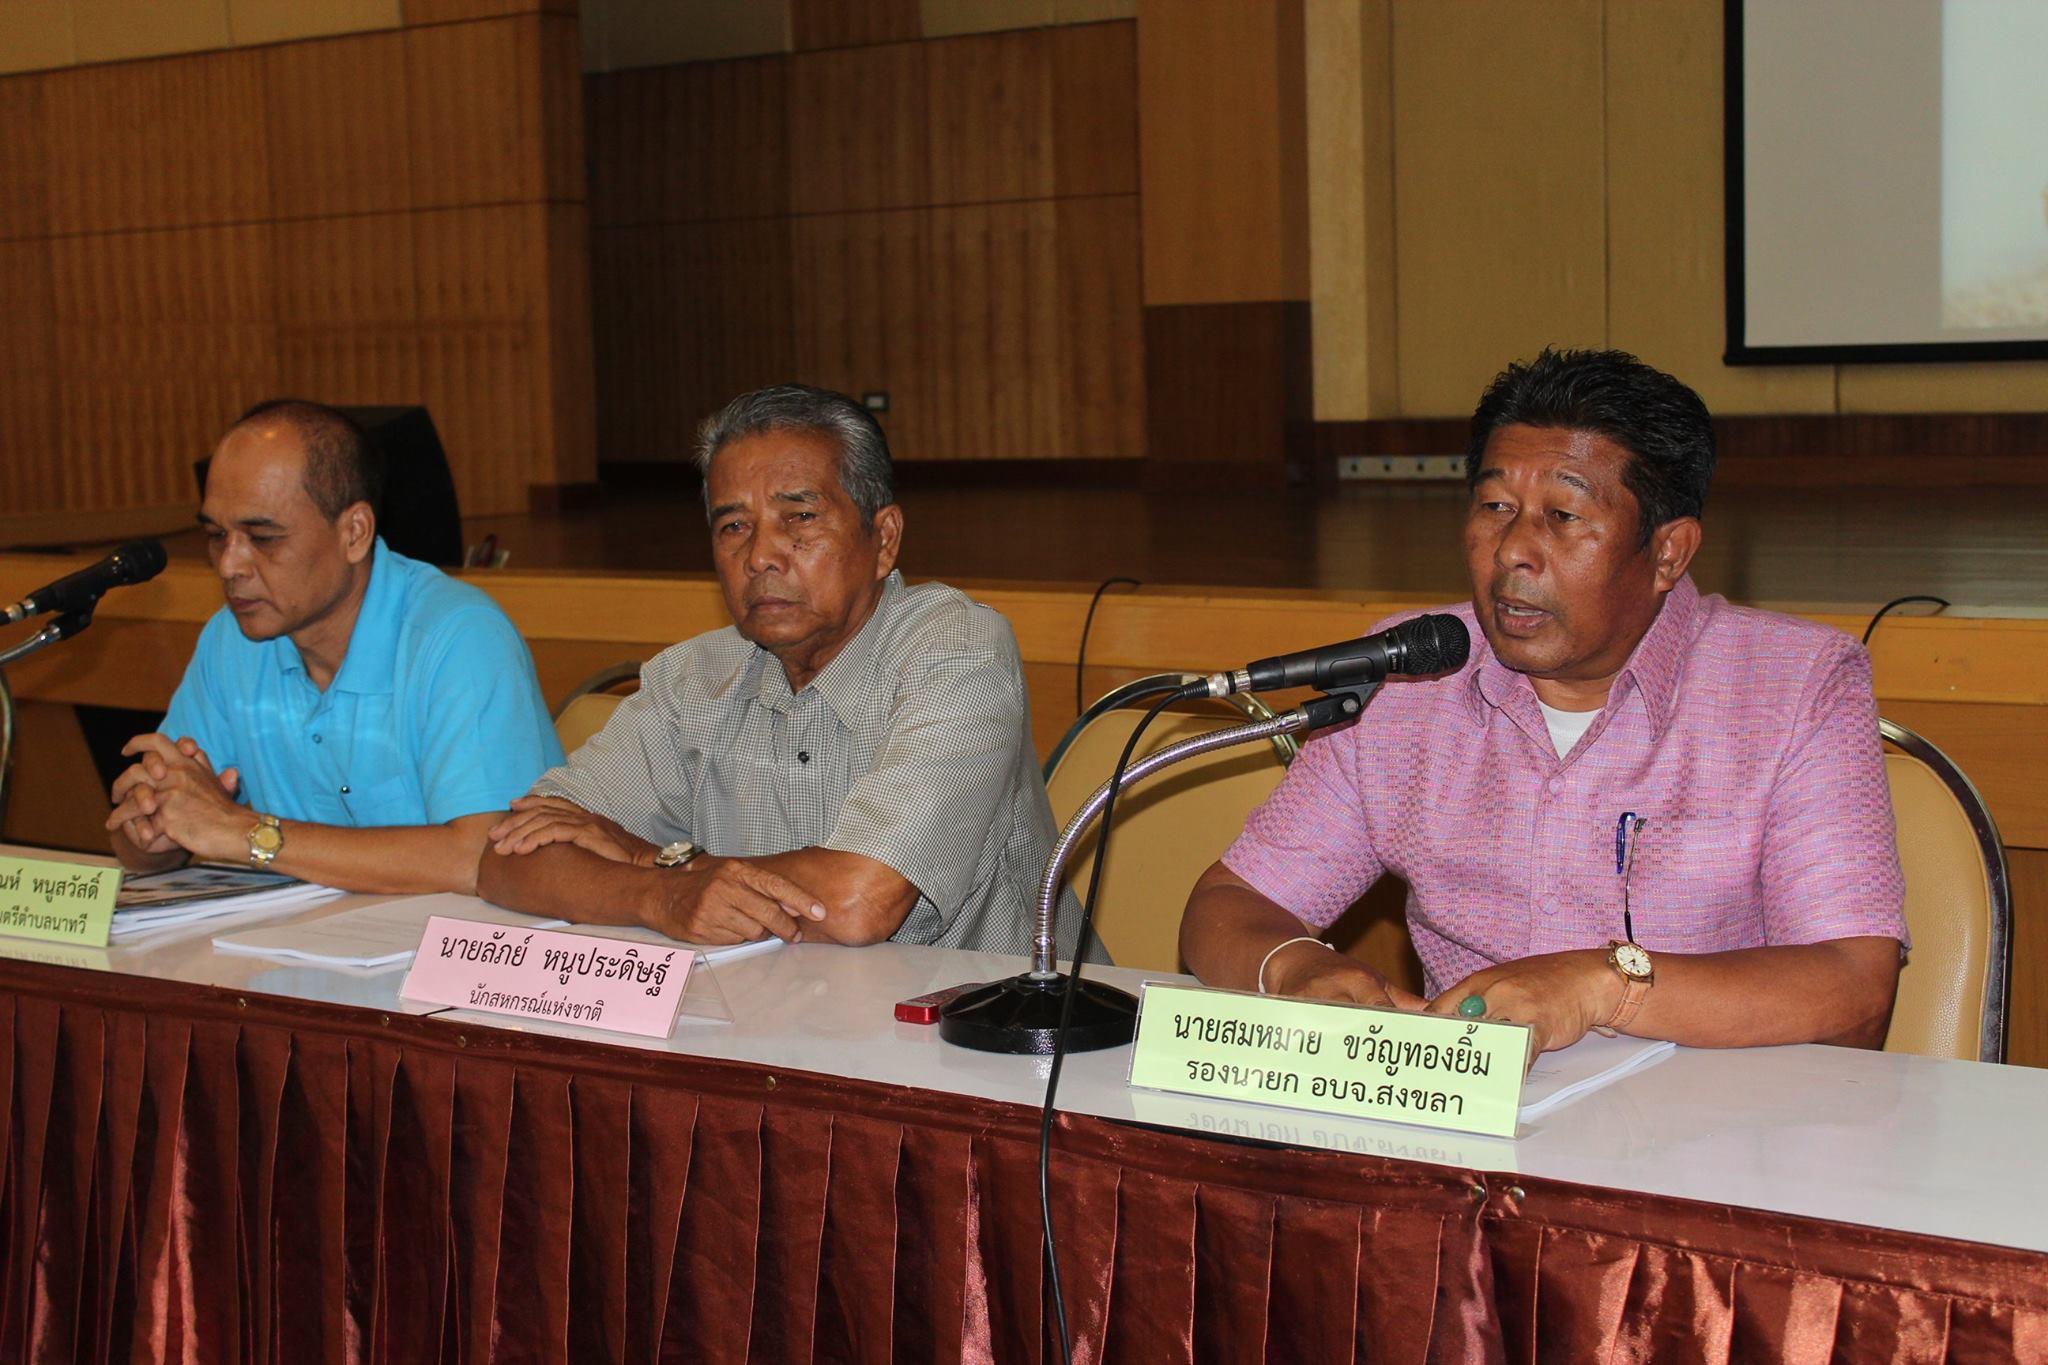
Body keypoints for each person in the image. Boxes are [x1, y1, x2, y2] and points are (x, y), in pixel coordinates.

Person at [1179, 348, 1907, 1056]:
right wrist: (1294, 968)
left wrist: (1605, 987)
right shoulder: (1409, 679)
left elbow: (1854, 989)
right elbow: (1231, 904)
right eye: (1496, 505)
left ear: (1668, 553)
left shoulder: (1796, 685)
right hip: (1466, 1120)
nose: (1512, 551)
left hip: (1711, 1121)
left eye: (1562, 515)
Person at [477, 383, 1074, 956]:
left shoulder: (956, 649)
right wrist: (658, 896)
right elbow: (508, 858)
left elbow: (858, 901)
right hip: (771, 1012)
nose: (759, 555)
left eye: (800, 517)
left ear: (884, 539)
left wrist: (651, 862)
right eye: (733, 526)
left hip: (990, 1020)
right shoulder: (693, 679)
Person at [105, 400, 564, 893]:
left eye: (263, 537)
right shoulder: (230, 640)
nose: (229, 565)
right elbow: (153, 842)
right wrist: (153, 829)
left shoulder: (458, 637)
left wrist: (247, 833)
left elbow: (482, 859)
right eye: (217, 535)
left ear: (354, 533)